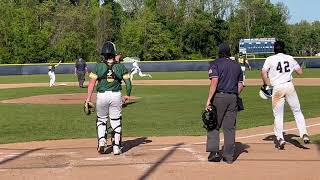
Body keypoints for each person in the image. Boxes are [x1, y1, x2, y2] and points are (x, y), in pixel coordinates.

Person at [261, 40, 310, 150]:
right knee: (297, 111)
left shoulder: (270, 59)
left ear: (274, 49)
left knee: (278, 115)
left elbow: (263, 72)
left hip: (277, 88)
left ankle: (280, 138)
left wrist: (265, 84)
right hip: (289, 86)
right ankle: (304, 133)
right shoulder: (289, 58)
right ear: (283, 48)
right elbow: (300, 72)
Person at [85, 41, 132, 155]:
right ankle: (116, 147)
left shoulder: (98, 66)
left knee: (101, 120)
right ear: (114, 52)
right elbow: (129, 83)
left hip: (102, 95)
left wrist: (88, 99)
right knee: (116, 121)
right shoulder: (120, 67)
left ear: (103, 54)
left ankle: (102, 142)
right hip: (116, 95)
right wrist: (127, 95)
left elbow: (91, 83)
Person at [205, 43, 244, 164]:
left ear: (219, 52)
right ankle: (229, 156)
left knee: (213, 124)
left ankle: (214, 153)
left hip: (219, 97)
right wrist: (233, 94)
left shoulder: (215, 63)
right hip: (233, 98)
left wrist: (208, 100)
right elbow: (241, 85)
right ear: (229, 52)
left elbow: (214, 81)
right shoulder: (237, 66)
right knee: (229, 128)